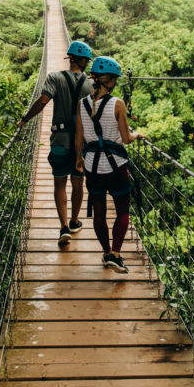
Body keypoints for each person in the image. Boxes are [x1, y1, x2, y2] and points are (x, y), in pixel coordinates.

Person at [74, 56, 146, 273]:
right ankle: (115, 253)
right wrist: (137, 135)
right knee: (123, 210)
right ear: (112, 81)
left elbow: (80, 138)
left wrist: (79, 157)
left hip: (92, 166)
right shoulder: (117, 104)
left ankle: (106, 253)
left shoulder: (82, 104)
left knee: (99, 212)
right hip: (116, 167)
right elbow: (125, 138)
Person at [18, 41, 94, 246]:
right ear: (83, 60)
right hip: (82, 143)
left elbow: (42, 101)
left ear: (70, 58)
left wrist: (25, 119)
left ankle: (63, 228)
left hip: (59, 139)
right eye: (87, 59)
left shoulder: (55, 77)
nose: (87, 63)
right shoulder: (92, 84)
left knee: (59, 182)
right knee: (78, 182)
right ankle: (75, 221)